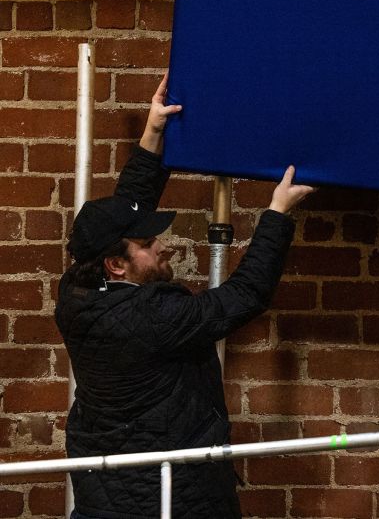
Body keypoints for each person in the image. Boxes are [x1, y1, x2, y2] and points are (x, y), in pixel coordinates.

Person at [55, 72, 314, 519]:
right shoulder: (151, 317)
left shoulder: (77, 289)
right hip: (166, 498)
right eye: (148, 245)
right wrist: (277, 214)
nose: (163, 245)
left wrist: (154, 131)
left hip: (107, 494)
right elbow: (245, 295)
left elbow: (125, 212)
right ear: (117, 265)